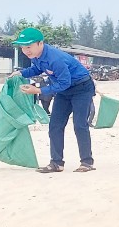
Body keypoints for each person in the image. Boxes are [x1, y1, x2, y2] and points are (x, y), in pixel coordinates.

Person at [12, 29, 97, 172]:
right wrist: (21, 73)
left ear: (40, 43)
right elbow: (37, 69)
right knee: (55, 125)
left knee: (80, 124)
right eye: (22, 48)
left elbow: (64, 82)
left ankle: (87, 162)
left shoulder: (55, 58)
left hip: (81, 88)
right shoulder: (36, 56)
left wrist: (38, 91)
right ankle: (56, 163)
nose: (26, 51)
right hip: (64, 91)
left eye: (28, 47)